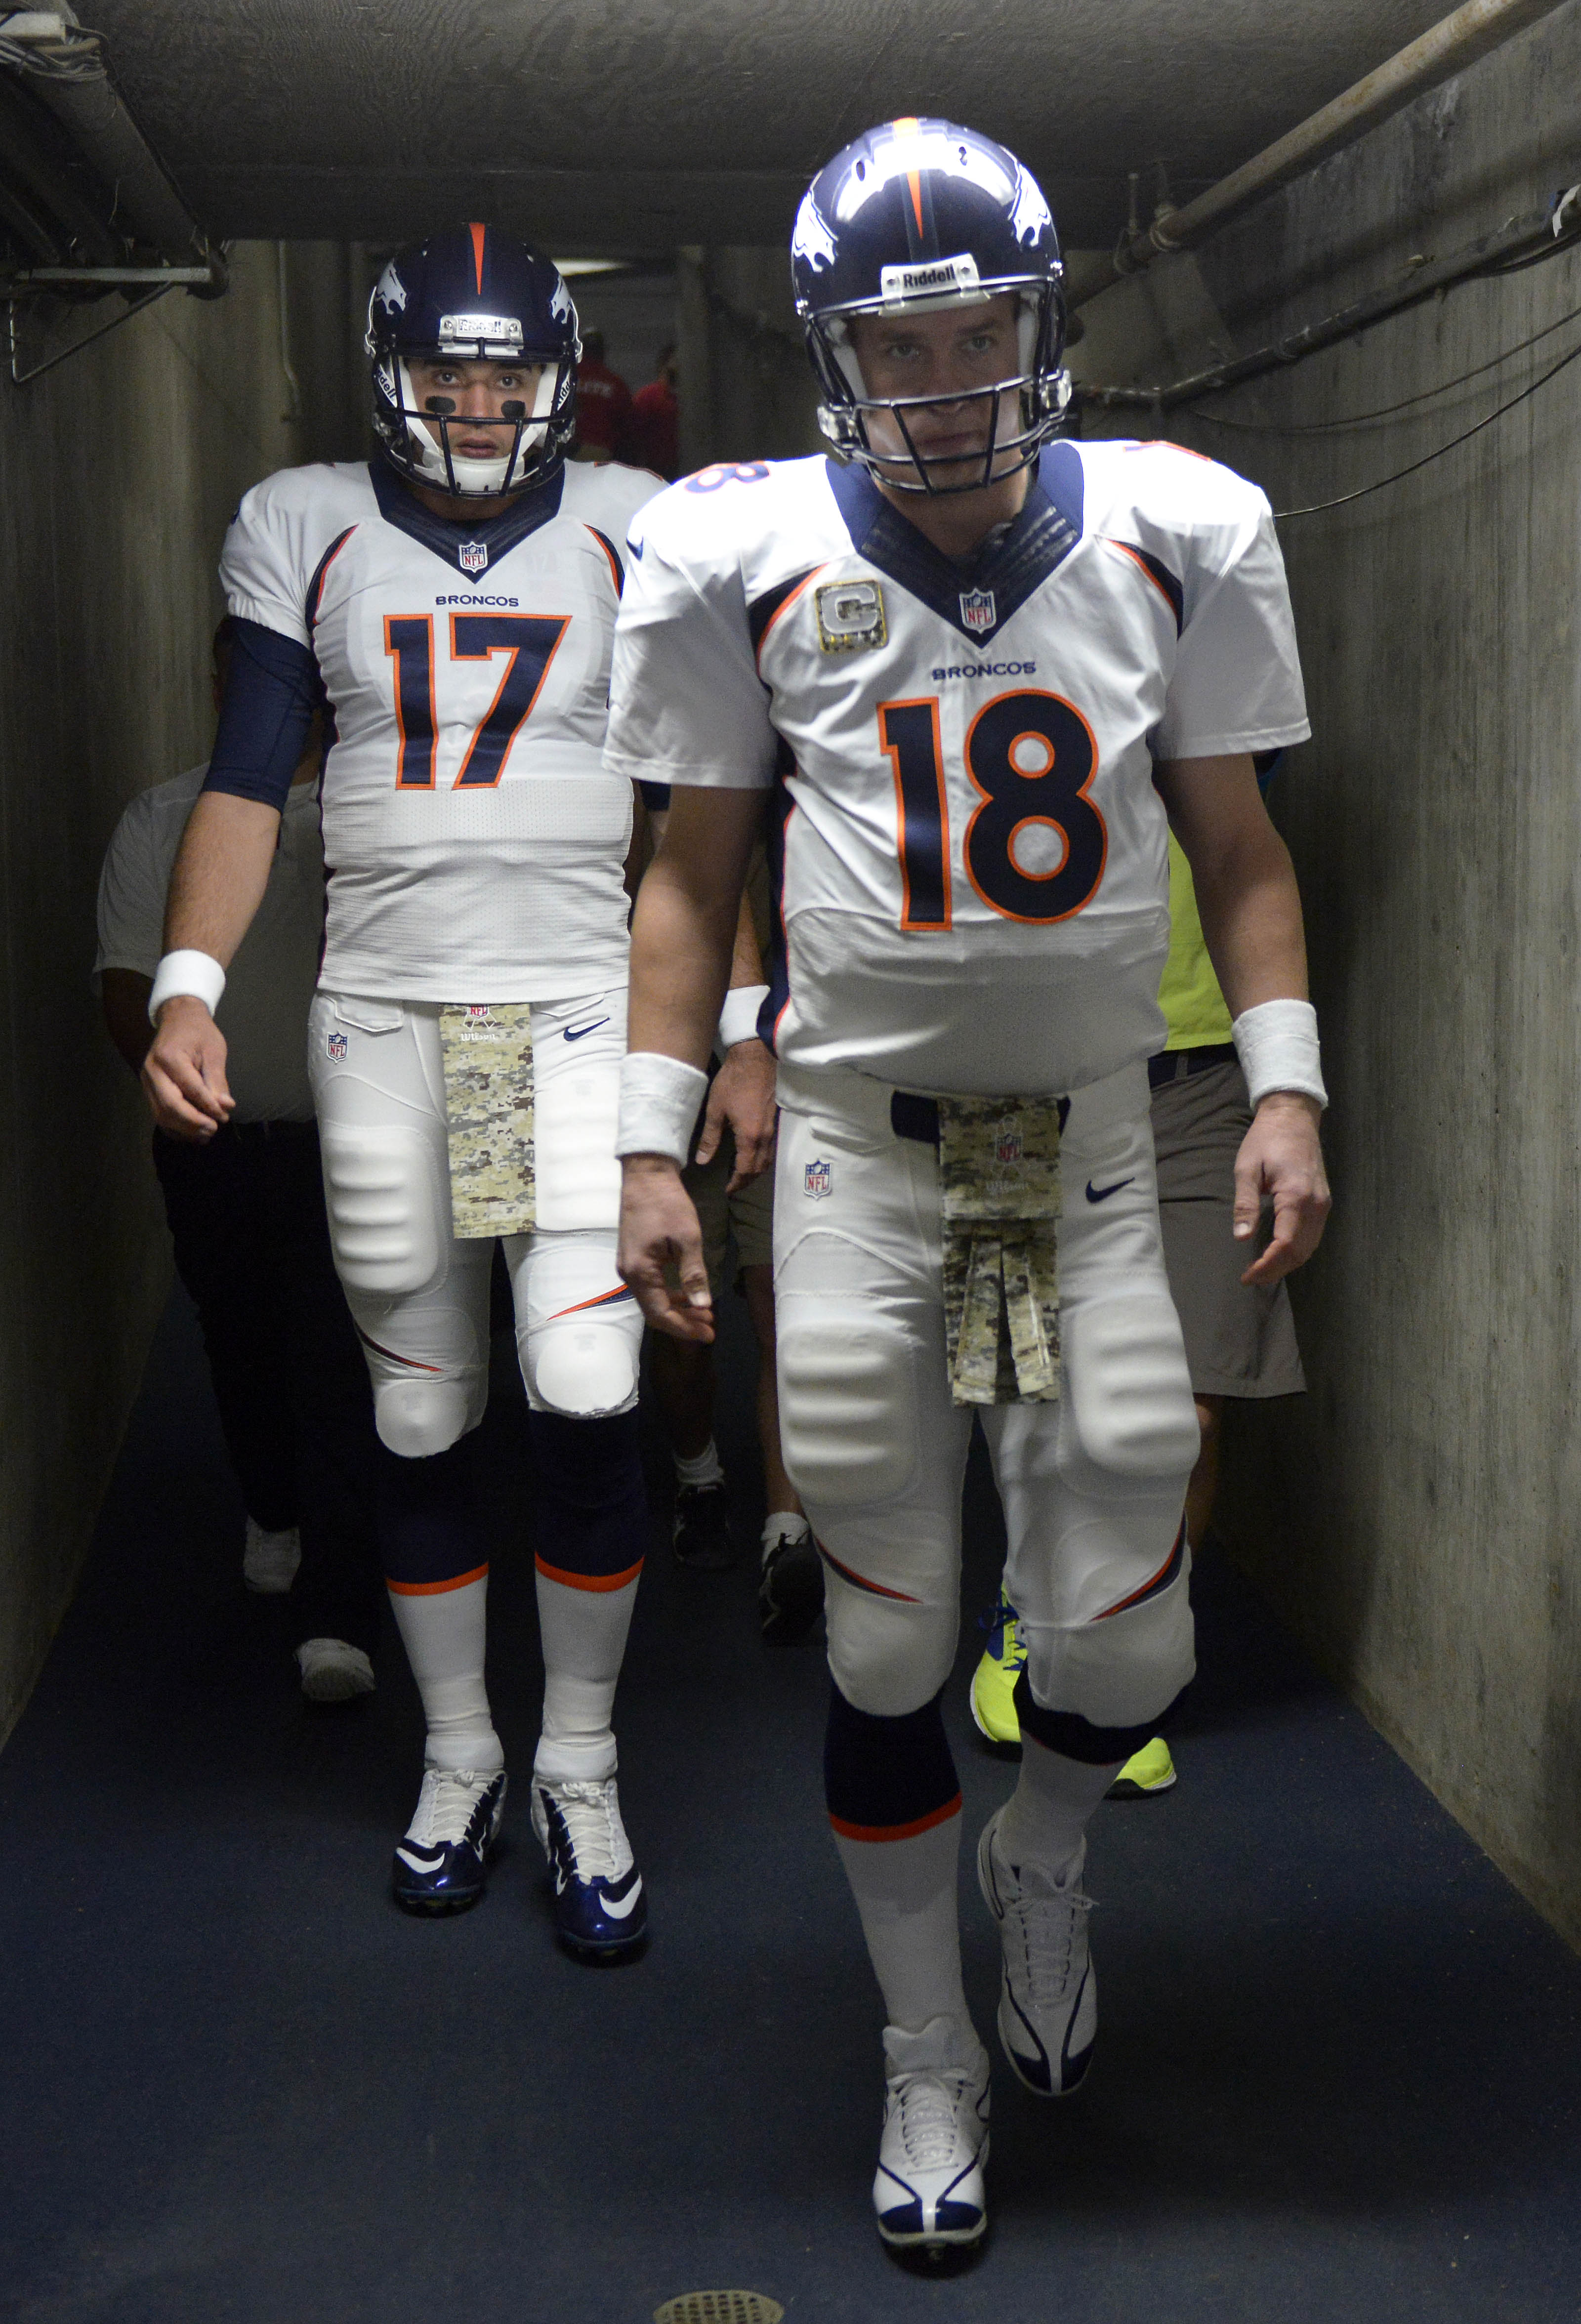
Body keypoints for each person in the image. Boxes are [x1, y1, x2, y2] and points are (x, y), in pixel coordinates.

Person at [608, 120, 1330, 2253]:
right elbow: (690, 879)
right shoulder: (735, 548)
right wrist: (645, 1137)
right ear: (834, 356)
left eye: (980, 332)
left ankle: (1050, 1854)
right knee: (891, 1622)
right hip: (857, 1156)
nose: (940, 387)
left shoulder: (1176, 527)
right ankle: (925, 2045)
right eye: (895, 347)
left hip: (1070, 1156)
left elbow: (1246, 849)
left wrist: (1282, 1088)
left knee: (1119, 1630)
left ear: (1042, 326)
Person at [140, 225, 667, 1956]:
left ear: (554, 374)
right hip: (388, 1020)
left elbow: (701, 794)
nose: (477, 400)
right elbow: (246, 774)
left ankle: (580, 1759)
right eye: (447, 372)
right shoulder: (306, 522)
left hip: (563, 1020)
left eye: (506, 373)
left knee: (586, 1376)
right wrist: (191, 981)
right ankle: (461, 1749)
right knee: (425, 1410)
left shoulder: (633, 521)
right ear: (391, 376)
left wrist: (730, 1010)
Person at [971, 782, 1307, 1789]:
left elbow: (1242, 836)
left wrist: (1288, 1089)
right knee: (1025, 1382)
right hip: (1010, 1062)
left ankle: (1124, 1647)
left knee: (1190, 1409)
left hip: (1194, 1069)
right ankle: (1028, 1611)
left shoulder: (1188, 633)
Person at [96, 621, 385, 1702]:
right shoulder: (166, 819)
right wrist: (173, 1083)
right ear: (218, 681)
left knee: (335, 1365)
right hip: (213, 1145)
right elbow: (126, 982)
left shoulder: (371, 817)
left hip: (345, 1145)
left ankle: (338, 1615)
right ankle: (274, 1509)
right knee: (241, 1346)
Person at [636, 788, 819, 1631]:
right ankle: (699, 1472)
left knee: (781, 1298)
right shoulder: (617, 798)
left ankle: (788, 1527)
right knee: (684, 1317)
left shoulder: (777, 781)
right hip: (661, 1082)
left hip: (783, 1073)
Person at [573, 328, 632, 463]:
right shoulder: (615, 383)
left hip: (570, 452)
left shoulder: (568, 379)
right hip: (603, 453)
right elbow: (627, 424)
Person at [622, 342, 679, 481]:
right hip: (655, 468)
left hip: (679, 465)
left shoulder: (689, 399)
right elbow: (633, 434)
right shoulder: (650, 397)